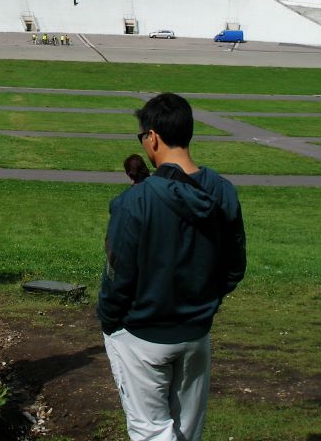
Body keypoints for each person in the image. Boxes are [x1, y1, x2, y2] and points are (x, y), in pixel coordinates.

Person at [99, 93, 247, 441]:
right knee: (186, 431)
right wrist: (203, 303)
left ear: (152, 137)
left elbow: (119, 274)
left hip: (143, 332)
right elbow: (234, 267)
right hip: (196, 331)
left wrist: (110, 319)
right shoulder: (223, 192)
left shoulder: (135, 201)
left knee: (150, 430)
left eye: (142, 136)